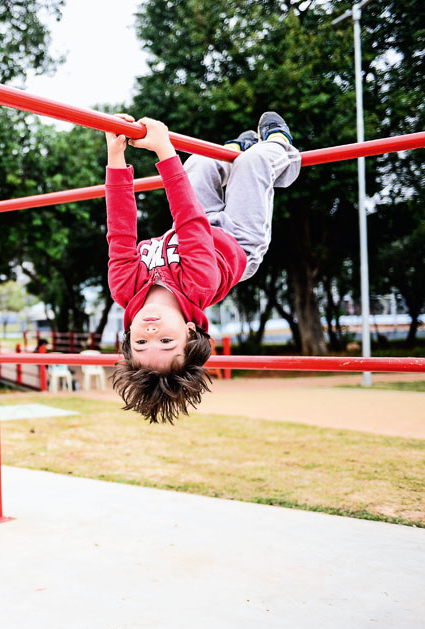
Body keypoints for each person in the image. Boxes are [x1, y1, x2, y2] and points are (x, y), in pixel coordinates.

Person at [105, 111, 301, 423]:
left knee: (199, 163)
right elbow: (188, 220)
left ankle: (233, 151)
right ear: (190, 330)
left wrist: (115, 155)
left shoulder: (124, 287)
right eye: (166, 342)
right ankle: (282, 148)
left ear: (129, 336)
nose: (151, 332)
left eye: (141, 343)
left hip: (198, 223)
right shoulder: (199, 284)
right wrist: (163, 149)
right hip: (238, 239)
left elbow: (120, 229)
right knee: (254, 165)